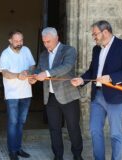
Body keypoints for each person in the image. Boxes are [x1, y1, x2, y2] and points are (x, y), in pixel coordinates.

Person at [71, 20, 122, 160]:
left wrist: (111, 77)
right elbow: (92, 71)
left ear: (105, 32)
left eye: (95, 34)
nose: (93, 37)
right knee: (95, 131)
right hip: (97, 96)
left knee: (115, 134)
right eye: (93, 34)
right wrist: (82, 80)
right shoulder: (96, 49)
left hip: (116, 97)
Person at [34, 27, 83, 160]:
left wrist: (47, 73)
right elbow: (39, 69)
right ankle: (58, 156)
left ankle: (77, 155)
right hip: (50, 97)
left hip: (69, 96)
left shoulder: (69, 50)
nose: (46, 44)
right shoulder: (44, 55)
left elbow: (66, 67)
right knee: (54, 129)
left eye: (48, 41)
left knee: (73, 127)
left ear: (57, 38)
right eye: (44, 42)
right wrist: (34, 76)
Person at [0, 30, 35, 160]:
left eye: (21, 40)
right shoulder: (5, 54)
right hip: (12, 94)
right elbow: (5, 73)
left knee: (21, 122)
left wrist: (28, 71)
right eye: (16, 41)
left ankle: (18, 148)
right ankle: (12, 151)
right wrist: (18, 75)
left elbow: (32, 65)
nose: (19, 43)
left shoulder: (26, 50)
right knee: (13, 122)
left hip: (26, 92)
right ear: (10, 40)